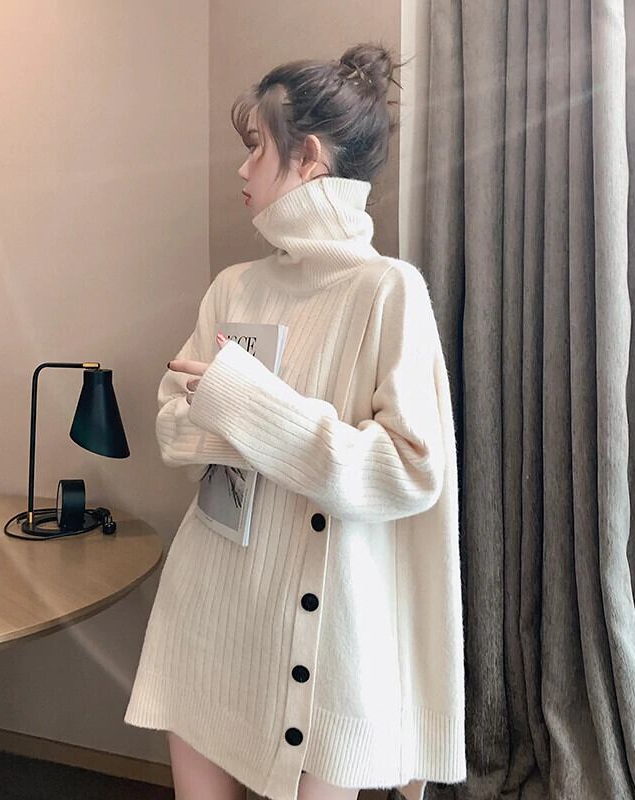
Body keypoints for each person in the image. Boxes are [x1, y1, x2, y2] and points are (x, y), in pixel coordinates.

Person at [124, 42, 466, 800]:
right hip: (210, 610)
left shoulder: (388, 291)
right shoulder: (234, 288)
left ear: (308, 156)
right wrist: (246, 417)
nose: (242, 169)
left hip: (328, 638)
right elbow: (173, 430)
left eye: (257, 147)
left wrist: (246, 404)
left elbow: (408, 472)